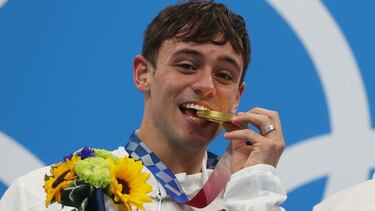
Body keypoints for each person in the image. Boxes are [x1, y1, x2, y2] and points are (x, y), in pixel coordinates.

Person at [0, 1, 287, 210]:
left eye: (224, 75)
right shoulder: (47, 197)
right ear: (143, 74)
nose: (207, 86)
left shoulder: (248, 197)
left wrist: (254, 184)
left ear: (237, 97)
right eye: (187, 66)